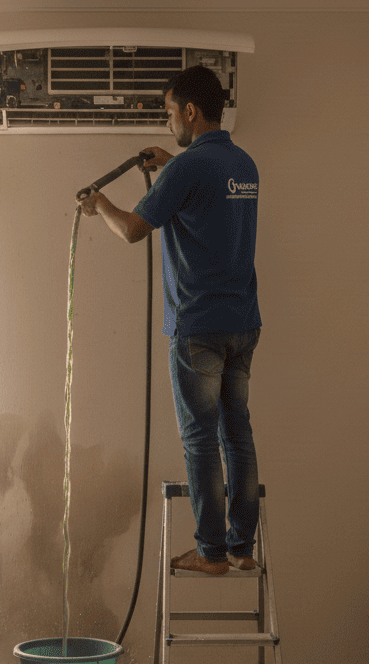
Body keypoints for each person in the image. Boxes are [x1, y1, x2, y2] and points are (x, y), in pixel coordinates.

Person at [76, 64, 261, 575]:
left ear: (190, 111)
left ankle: (211, 552)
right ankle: (242, 547)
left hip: (198, 325)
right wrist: (173, 162)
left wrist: (101, 204)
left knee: (200, 438)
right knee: (237, 433)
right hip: (243, 322)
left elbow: (135, 229)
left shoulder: (185, 170)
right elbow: (205, 195)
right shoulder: (243, 164)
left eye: (169, 112)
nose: (169, 123)